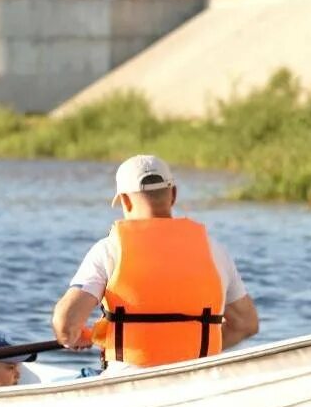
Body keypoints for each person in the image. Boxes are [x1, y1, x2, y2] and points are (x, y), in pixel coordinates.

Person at [51, 155, 260, 369]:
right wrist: (194, 356)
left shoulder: (108, 250)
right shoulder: (216, 251)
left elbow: (65, 324)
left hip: (127, 381)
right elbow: (246, 324)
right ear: (173, 195)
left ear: (125, 200)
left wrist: (78, 336)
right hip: (198, 378)